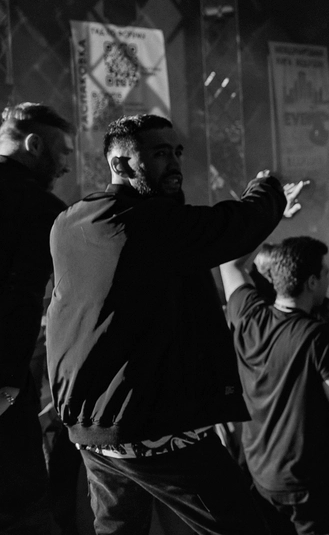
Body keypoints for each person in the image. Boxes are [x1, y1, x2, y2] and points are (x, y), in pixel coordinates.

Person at [46, 113, 304, 535]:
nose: (175, 164)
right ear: (120, 164)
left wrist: (264, 219)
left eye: (177, 152)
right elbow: (229, 227)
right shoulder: (142, 223)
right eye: (160, 153)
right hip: (152, 428)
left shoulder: (71, 222)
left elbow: (201, 244)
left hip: (95, 430)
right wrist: (268, 190)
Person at [221, 237, 329, 535]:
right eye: (325, 272)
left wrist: (268, 220)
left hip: (261, 474)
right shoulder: (319, 337)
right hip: (308, 486)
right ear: (312, 282)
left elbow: (230, 263)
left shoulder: (249, 315)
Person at [0, 103, 74, 533]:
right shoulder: (40, 209)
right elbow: (21, 297)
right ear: (33, 145)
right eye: (62, 152)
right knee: (22, 505)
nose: (66, 165)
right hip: (4, 382)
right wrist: (9, 384)